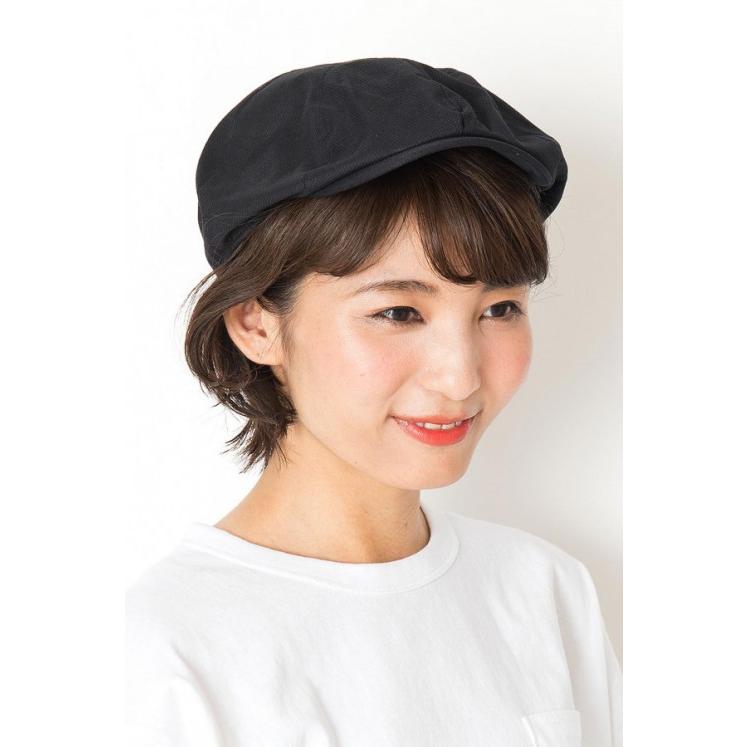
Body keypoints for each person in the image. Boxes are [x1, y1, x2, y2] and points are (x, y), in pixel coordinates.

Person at [126, 58, 622, 746]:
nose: (459, 377)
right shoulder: (163, 647)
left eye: (499, 308)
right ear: (256, 324)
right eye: (397, 312)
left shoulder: (543, 589)